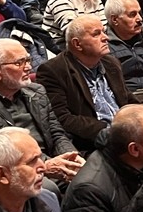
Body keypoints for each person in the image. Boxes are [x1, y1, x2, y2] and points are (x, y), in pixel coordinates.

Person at [0, 39, 83, 188]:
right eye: (19, 63)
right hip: (13, 170)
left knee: (92, 176)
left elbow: (56, 134)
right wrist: (43, 165)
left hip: (50, 161)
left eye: (28, 60)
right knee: (54, 188)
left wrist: (72, 158)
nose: (29, 67)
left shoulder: (36, 91)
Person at [35, 15, 131, 154]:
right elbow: (62, 118)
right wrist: (110, 130)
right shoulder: (54, 70)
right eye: (96, 34)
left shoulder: (111, 63)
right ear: (77, 44)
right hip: (93, 144)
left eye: (104, 32)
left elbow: (126, 97)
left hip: (127, 135)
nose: (106, 38)